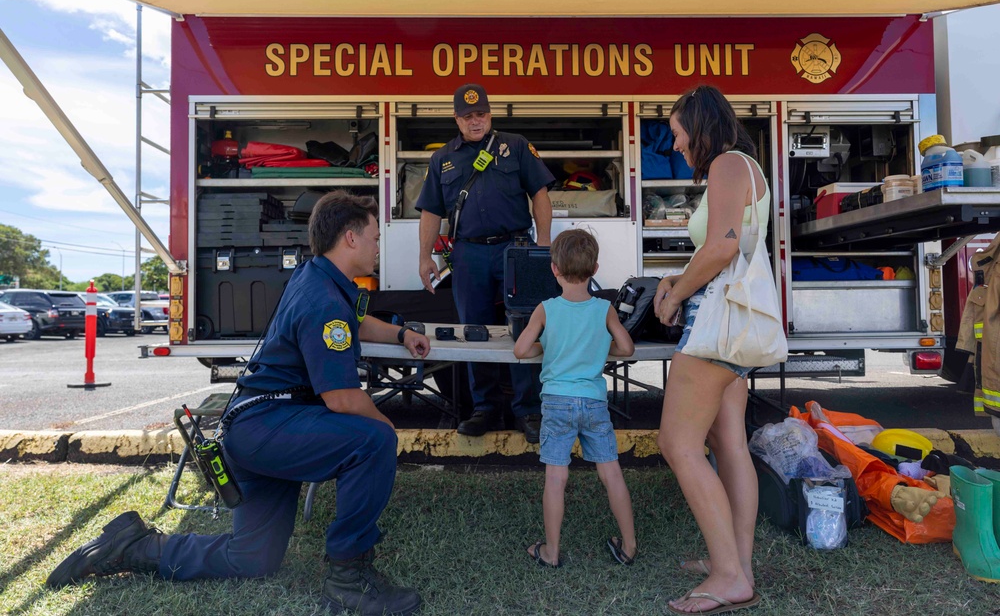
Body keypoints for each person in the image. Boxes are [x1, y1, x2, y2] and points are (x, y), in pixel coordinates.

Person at [46, 191, 430, 616]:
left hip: (256, 426)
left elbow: (354, 323)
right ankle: (348, 581)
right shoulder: (323, 300)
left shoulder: (317, 279)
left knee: (252, 557)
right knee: (373, 438)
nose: (379, 245)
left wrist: (400, 334)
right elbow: (342, 399)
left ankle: (134, 546)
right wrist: (387, 429)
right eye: (375, 236)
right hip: (271, 427)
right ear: (351, 238)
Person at [651, 86, 767, 615]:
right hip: (736, 324)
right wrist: (681, 275)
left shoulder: (724, 163)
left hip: (714, 326)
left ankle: (727, 576)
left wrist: (675, 291)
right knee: (729, 443)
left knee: (678, 443)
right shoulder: (747, 165)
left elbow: (720, 246)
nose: (675, 146)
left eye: (677, 134)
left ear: (700, 126)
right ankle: (737, 562)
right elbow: (730, 247)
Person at [416, 83, 555, 442]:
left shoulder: (517, 146)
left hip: (516, 248)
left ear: (490, 115)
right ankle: (485, 409)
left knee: (524, 327)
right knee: (473, 331)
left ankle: (529, 410)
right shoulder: (442, 159)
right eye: (467, 116)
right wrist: (424, 256)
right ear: (457, 119)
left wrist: (542, 245)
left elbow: (539, 194)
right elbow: (431, 211)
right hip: (468, 253)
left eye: (481, 115)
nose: (475, 122)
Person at [512, 229, 637, 568]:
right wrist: (596, 348)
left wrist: (549, 346)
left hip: (556, 401)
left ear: (554, 269)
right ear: (595, 269)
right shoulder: (604, 308)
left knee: (556, 478)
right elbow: (626, 348)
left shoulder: (546, 308)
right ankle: (628, 545)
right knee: (611, 473)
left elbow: (520, 349)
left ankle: (551, 551)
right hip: (593, 402)